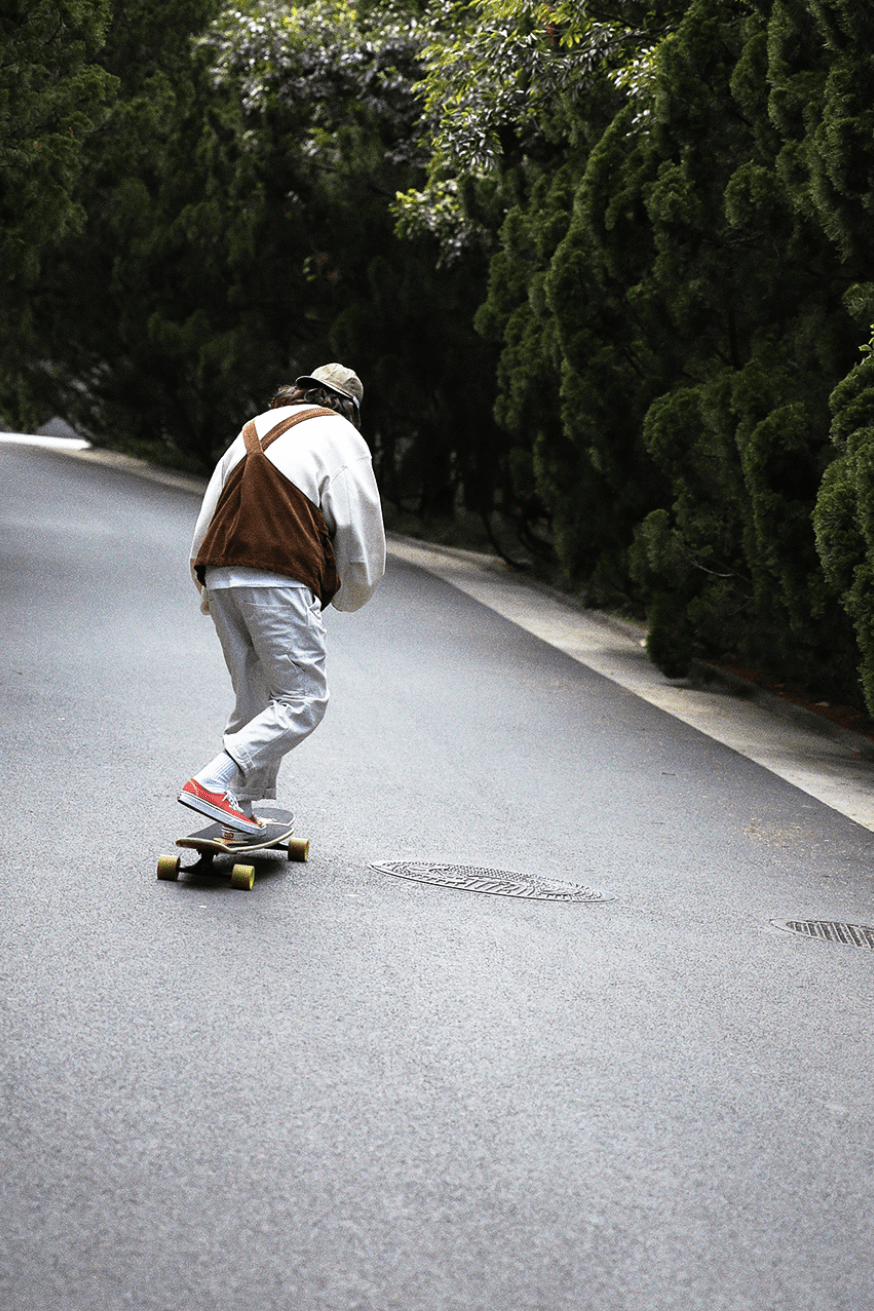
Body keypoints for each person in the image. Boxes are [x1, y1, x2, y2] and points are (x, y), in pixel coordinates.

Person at [178, 362, 385, 835]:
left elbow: (213, 506)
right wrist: (353, 590)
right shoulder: (343, 437)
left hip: (221, 569)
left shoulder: (252, 426)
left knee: (254, 700)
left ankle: (238, 807)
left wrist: (207, 581)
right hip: (279, 575)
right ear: (349, 408)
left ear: (300, 391)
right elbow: (357, 524)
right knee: (303, 700)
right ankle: (212, 784)